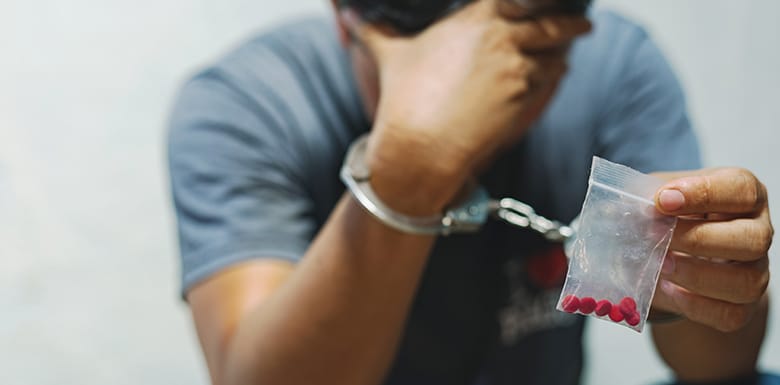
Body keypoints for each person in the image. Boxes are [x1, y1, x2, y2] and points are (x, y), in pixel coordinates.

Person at [167, 0, 774, 384]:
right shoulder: (247, 104)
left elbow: (723, 367)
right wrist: (412, 168)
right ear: (346, 20)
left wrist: (690, 277)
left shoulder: (613, 62)